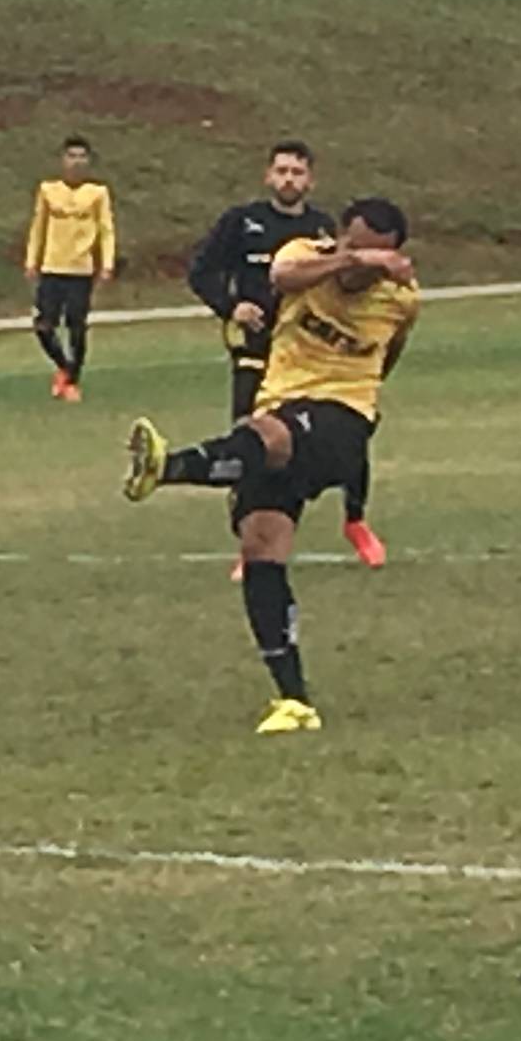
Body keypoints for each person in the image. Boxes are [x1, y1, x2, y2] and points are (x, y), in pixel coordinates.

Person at [122, 197, 420, 736]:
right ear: (340, 237)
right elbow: (282, 276)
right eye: (353, 245)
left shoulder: (401, 300)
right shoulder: (305, 255)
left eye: (375, 255)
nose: (360, 263)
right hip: (280, 403)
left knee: (267, 436)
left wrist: (365, 398)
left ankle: (166, 467)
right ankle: (294, 700)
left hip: (343, 418)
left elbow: (390, 353)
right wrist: (354, 259)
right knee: (261, 543)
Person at [187, 140, 383, 568]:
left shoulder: (321, 228)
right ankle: (250, 544)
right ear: (268, 176)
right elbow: (200, 272)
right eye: (281, 171)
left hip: (309, 358)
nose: (288, 179)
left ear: (310, 180)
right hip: (256, 349)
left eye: (297, 172)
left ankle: (356, 520)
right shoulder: (242, 222)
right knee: (250, 440)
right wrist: (232, 306)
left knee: (347, 431)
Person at [23, 135, 115, 402]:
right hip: (52, 267)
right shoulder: (48, 190)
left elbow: (106, 230)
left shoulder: (97, 193)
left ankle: (73, 381)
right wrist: (32, 260)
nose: (76, 162)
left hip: (80, 270)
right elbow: (38, 227)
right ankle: (64, 368)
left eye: (81, 157)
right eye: (71, 156)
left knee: (76, 327)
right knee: (43, 325)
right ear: (62, 160)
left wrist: (106, 263)